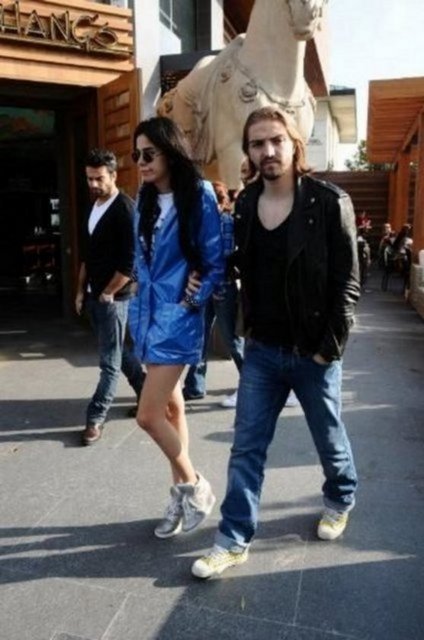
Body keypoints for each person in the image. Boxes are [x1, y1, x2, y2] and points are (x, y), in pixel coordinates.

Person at [191, 106, 360, 579]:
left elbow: (348, 285)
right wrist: (205, 273)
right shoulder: (245, 204)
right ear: (247, 152)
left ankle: (340, 497)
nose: (267, 150)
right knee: (246, 448)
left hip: (313, 350)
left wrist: (328, 348)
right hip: (263, 351)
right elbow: (238, 263)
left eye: (275, 140)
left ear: (293, 144)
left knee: (328, 438)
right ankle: (233, 539)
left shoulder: (329, 203)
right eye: (257, 143)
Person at [127, 116, 225, 539]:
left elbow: (215, 260)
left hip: (178, 319)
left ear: (169, 151)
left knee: (148, 416)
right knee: (171, 409)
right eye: (136, 155)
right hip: (147, 315)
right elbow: (140, 258)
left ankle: (194, 485)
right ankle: (180, 496)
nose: (141, 162)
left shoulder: (198, 194)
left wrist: (192, 300)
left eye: (149, 153)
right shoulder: (145, 198)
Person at [75, 148, 145, 446]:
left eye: (99, 178)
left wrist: (108, 292)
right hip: (94, 296)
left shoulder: (125, 209)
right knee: (118, 351)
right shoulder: (92, 208)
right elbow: (87, 256)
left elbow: (130, 264)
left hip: (114, 298)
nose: (93, 184)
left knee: (109, 362)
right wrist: (81, 291)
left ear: (114, 176)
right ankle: (147, 392)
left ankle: (96, 417)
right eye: (89, 178)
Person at [183, 181, 244, 408]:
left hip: (222, 288)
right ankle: (194, 385)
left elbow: (223, 257)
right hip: (203, 288)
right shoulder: (200, 222)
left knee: (232, 339)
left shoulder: (225, 221)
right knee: (199, 335)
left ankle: (251, 384)